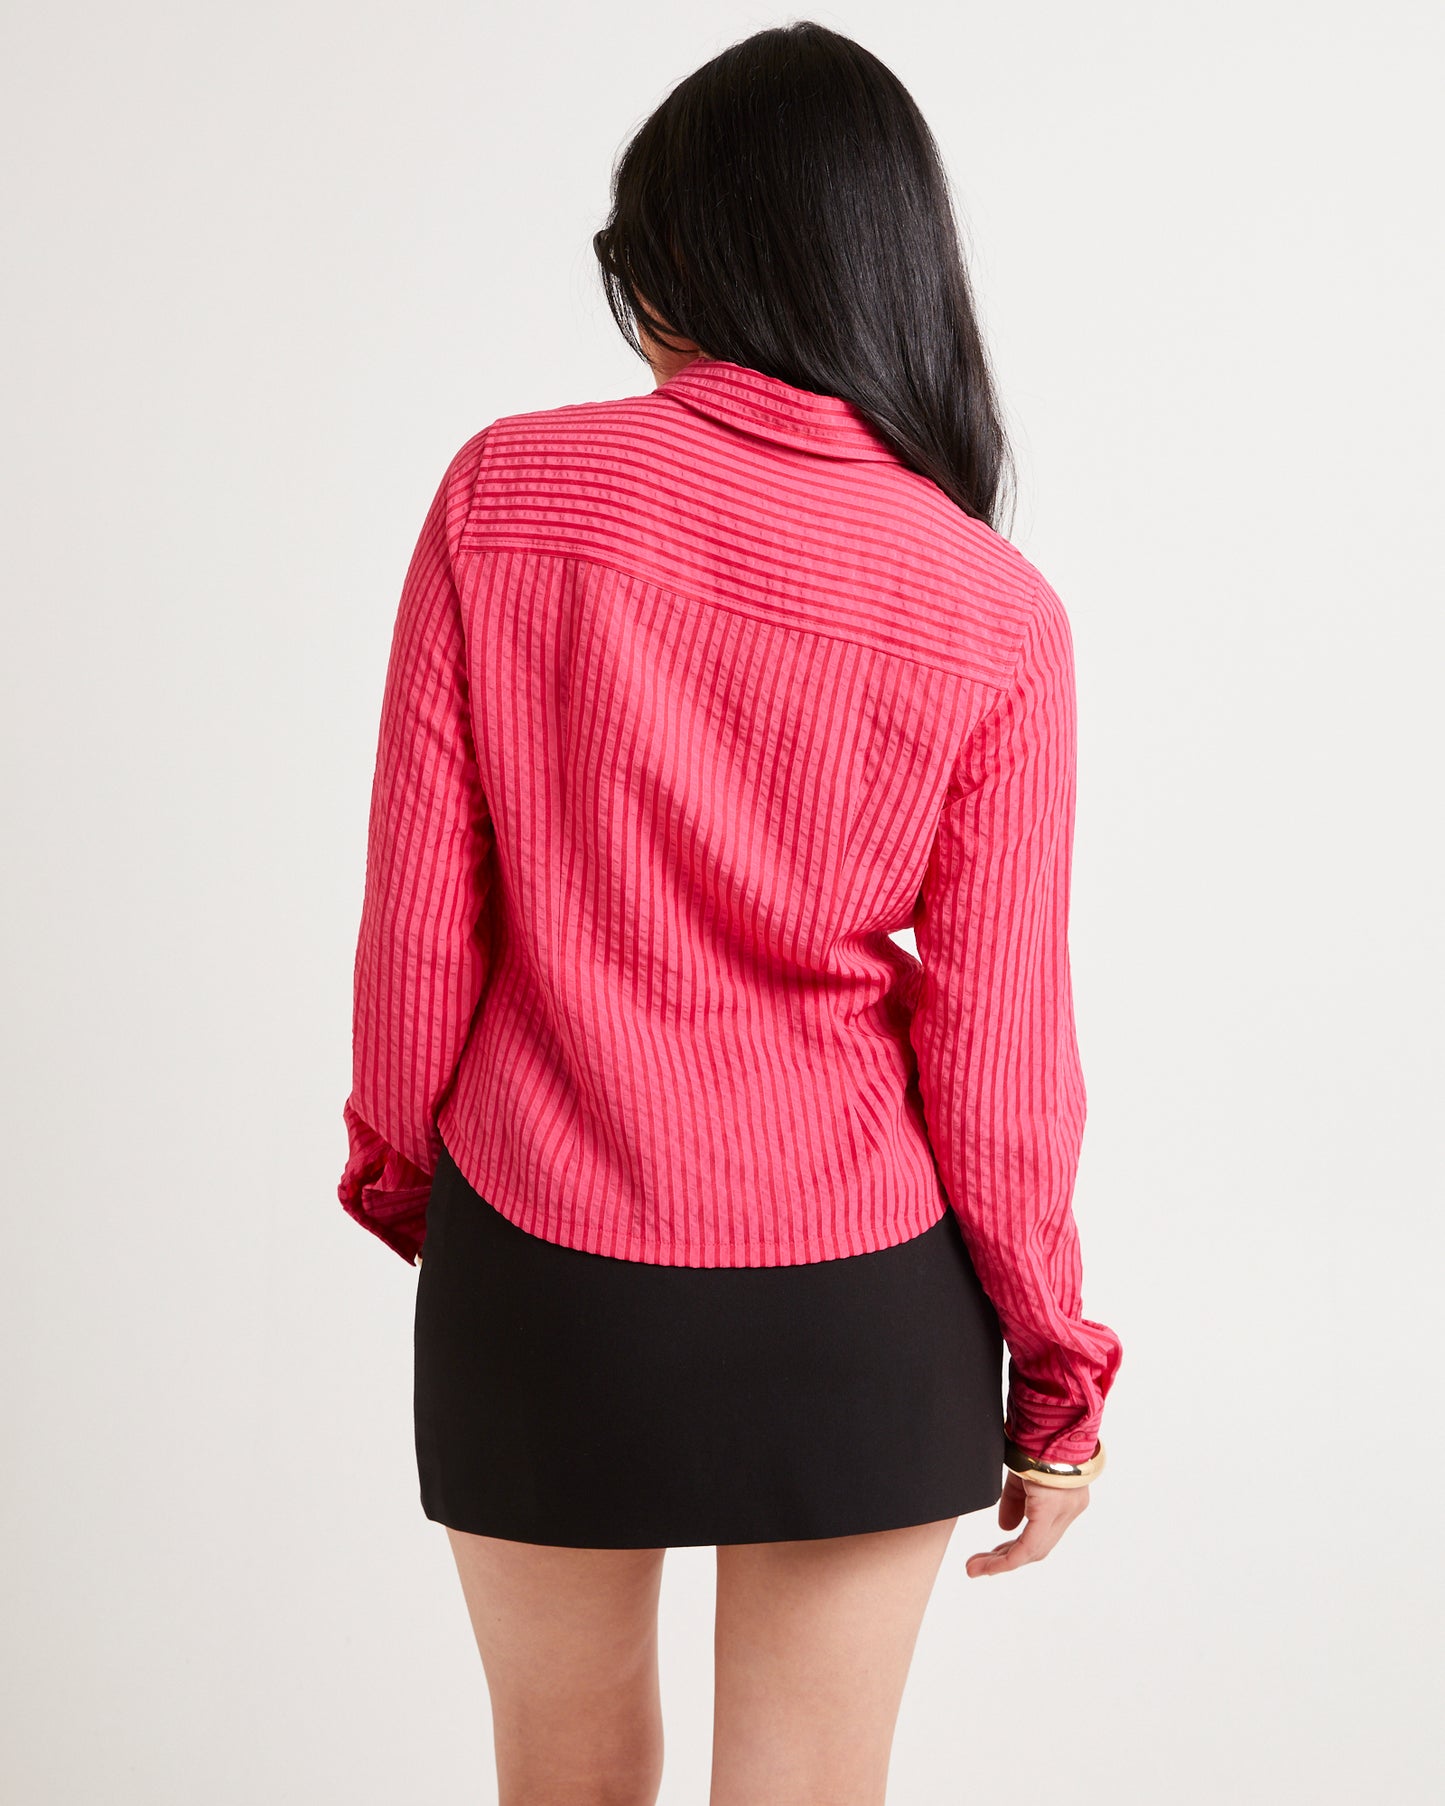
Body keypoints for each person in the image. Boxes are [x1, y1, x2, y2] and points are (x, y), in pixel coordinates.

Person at [337, 20, 1122, 1806]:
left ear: (679, 253)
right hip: (857, 1289)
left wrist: (407, 1178)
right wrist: (1058, 1377)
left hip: (540, 1253)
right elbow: (998, 1059)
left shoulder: (503, 492)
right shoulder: (993, 609)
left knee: (559, 1778)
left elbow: (417, 924)